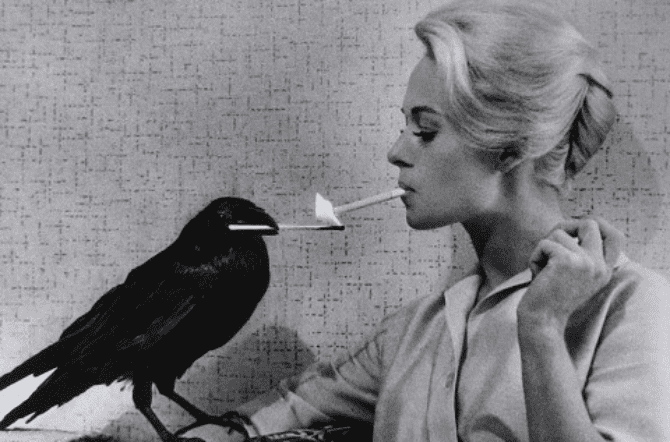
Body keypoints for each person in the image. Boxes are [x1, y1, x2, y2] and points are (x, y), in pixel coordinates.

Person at [185, 0, 670, 441]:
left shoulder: (632, 305)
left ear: (511, 148)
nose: (396, 151)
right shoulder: (416, 332)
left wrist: (541, 327)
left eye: (426, 130)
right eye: (406, 126)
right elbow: (282, 409)